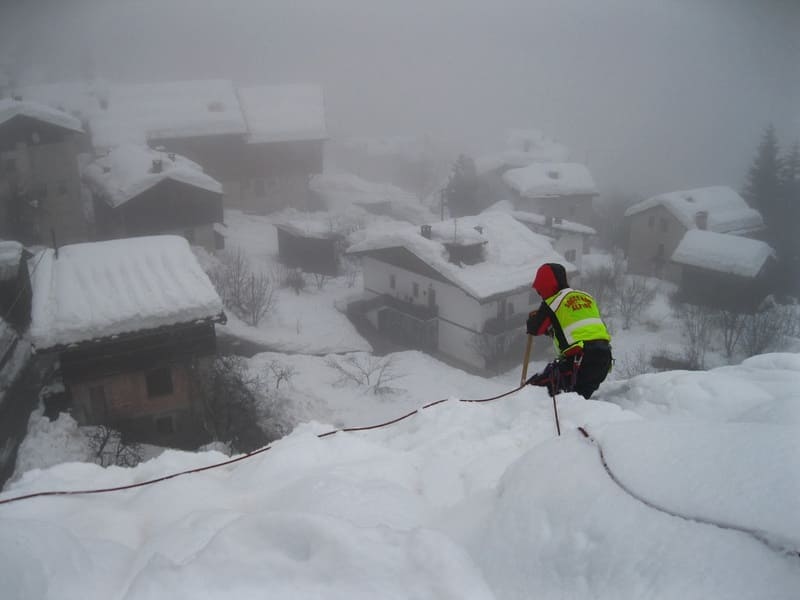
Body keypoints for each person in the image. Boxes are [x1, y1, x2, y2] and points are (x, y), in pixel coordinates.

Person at [525, 263, 612, 399]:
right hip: (604, 362)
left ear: (546, 285)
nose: (540, 295)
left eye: (540, 291)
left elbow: (535, 328)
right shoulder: (586, 297)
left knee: (533, 391)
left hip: (579, 363)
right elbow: (576, 325)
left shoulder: (552, 302)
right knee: (578, 400)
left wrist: (532, 320)